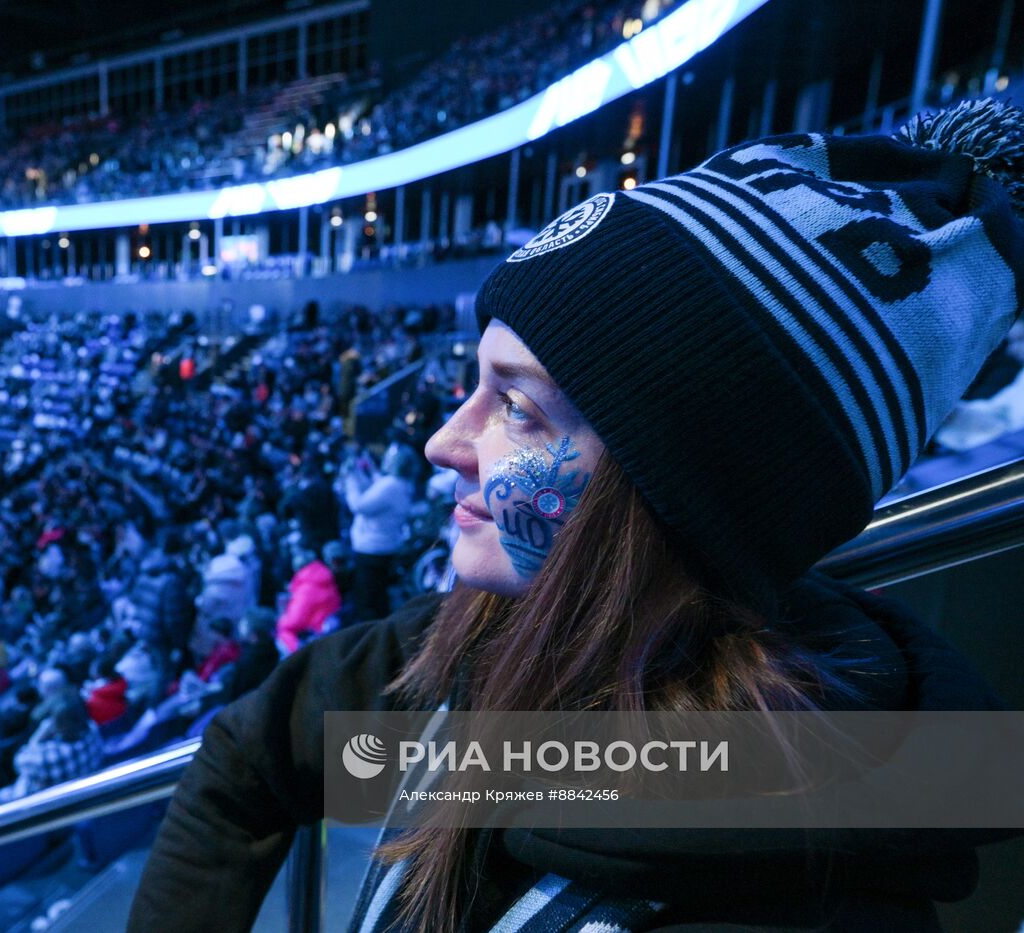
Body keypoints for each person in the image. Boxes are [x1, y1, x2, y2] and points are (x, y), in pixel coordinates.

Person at [128, 99, 1024, 931]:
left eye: (517, 407)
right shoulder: (496, 638)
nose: (444, 441)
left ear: (683, 490)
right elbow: (249, 759)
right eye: (477, 386)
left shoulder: (811, 902)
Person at [341, 440, 416, 623]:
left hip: (372, 549)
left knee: (368, 602)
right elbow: (373, 488)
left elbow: (359, 505)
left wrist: (350, 478)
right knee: (378, 597)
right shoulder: (400, 484)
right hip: (384, 546)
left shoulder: (391, 485)